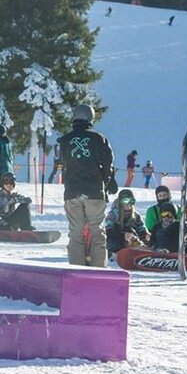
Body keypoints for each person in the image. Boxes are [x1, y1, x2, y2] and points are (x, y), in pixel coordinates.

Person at [58, 104, 115, 267]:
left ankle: (77, 271)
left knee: (75, 234)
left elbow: (62, 162)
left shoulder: (64, 140)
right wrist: (107, 181)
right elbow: (107, 163)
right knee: (97, 231)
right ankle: (98, 272)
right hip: (94, 191)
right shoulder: (99, 138)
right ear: (91, 118)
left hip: (72, 191)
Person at [105, 189, 150, 256]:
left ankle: (143, 251)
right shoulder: (113, 214)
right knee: (128, 230)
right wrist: (123, 235)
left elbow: (141, 230)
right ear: (120, 202)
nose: (128, 204)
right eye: (125, 201)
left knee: (131, 230)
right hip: (116, 242)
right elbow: (108, 231)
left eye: (131, 201)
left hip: (131, 242)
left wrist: (146, 236)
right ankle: (115, 254)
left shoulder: (135, 215)